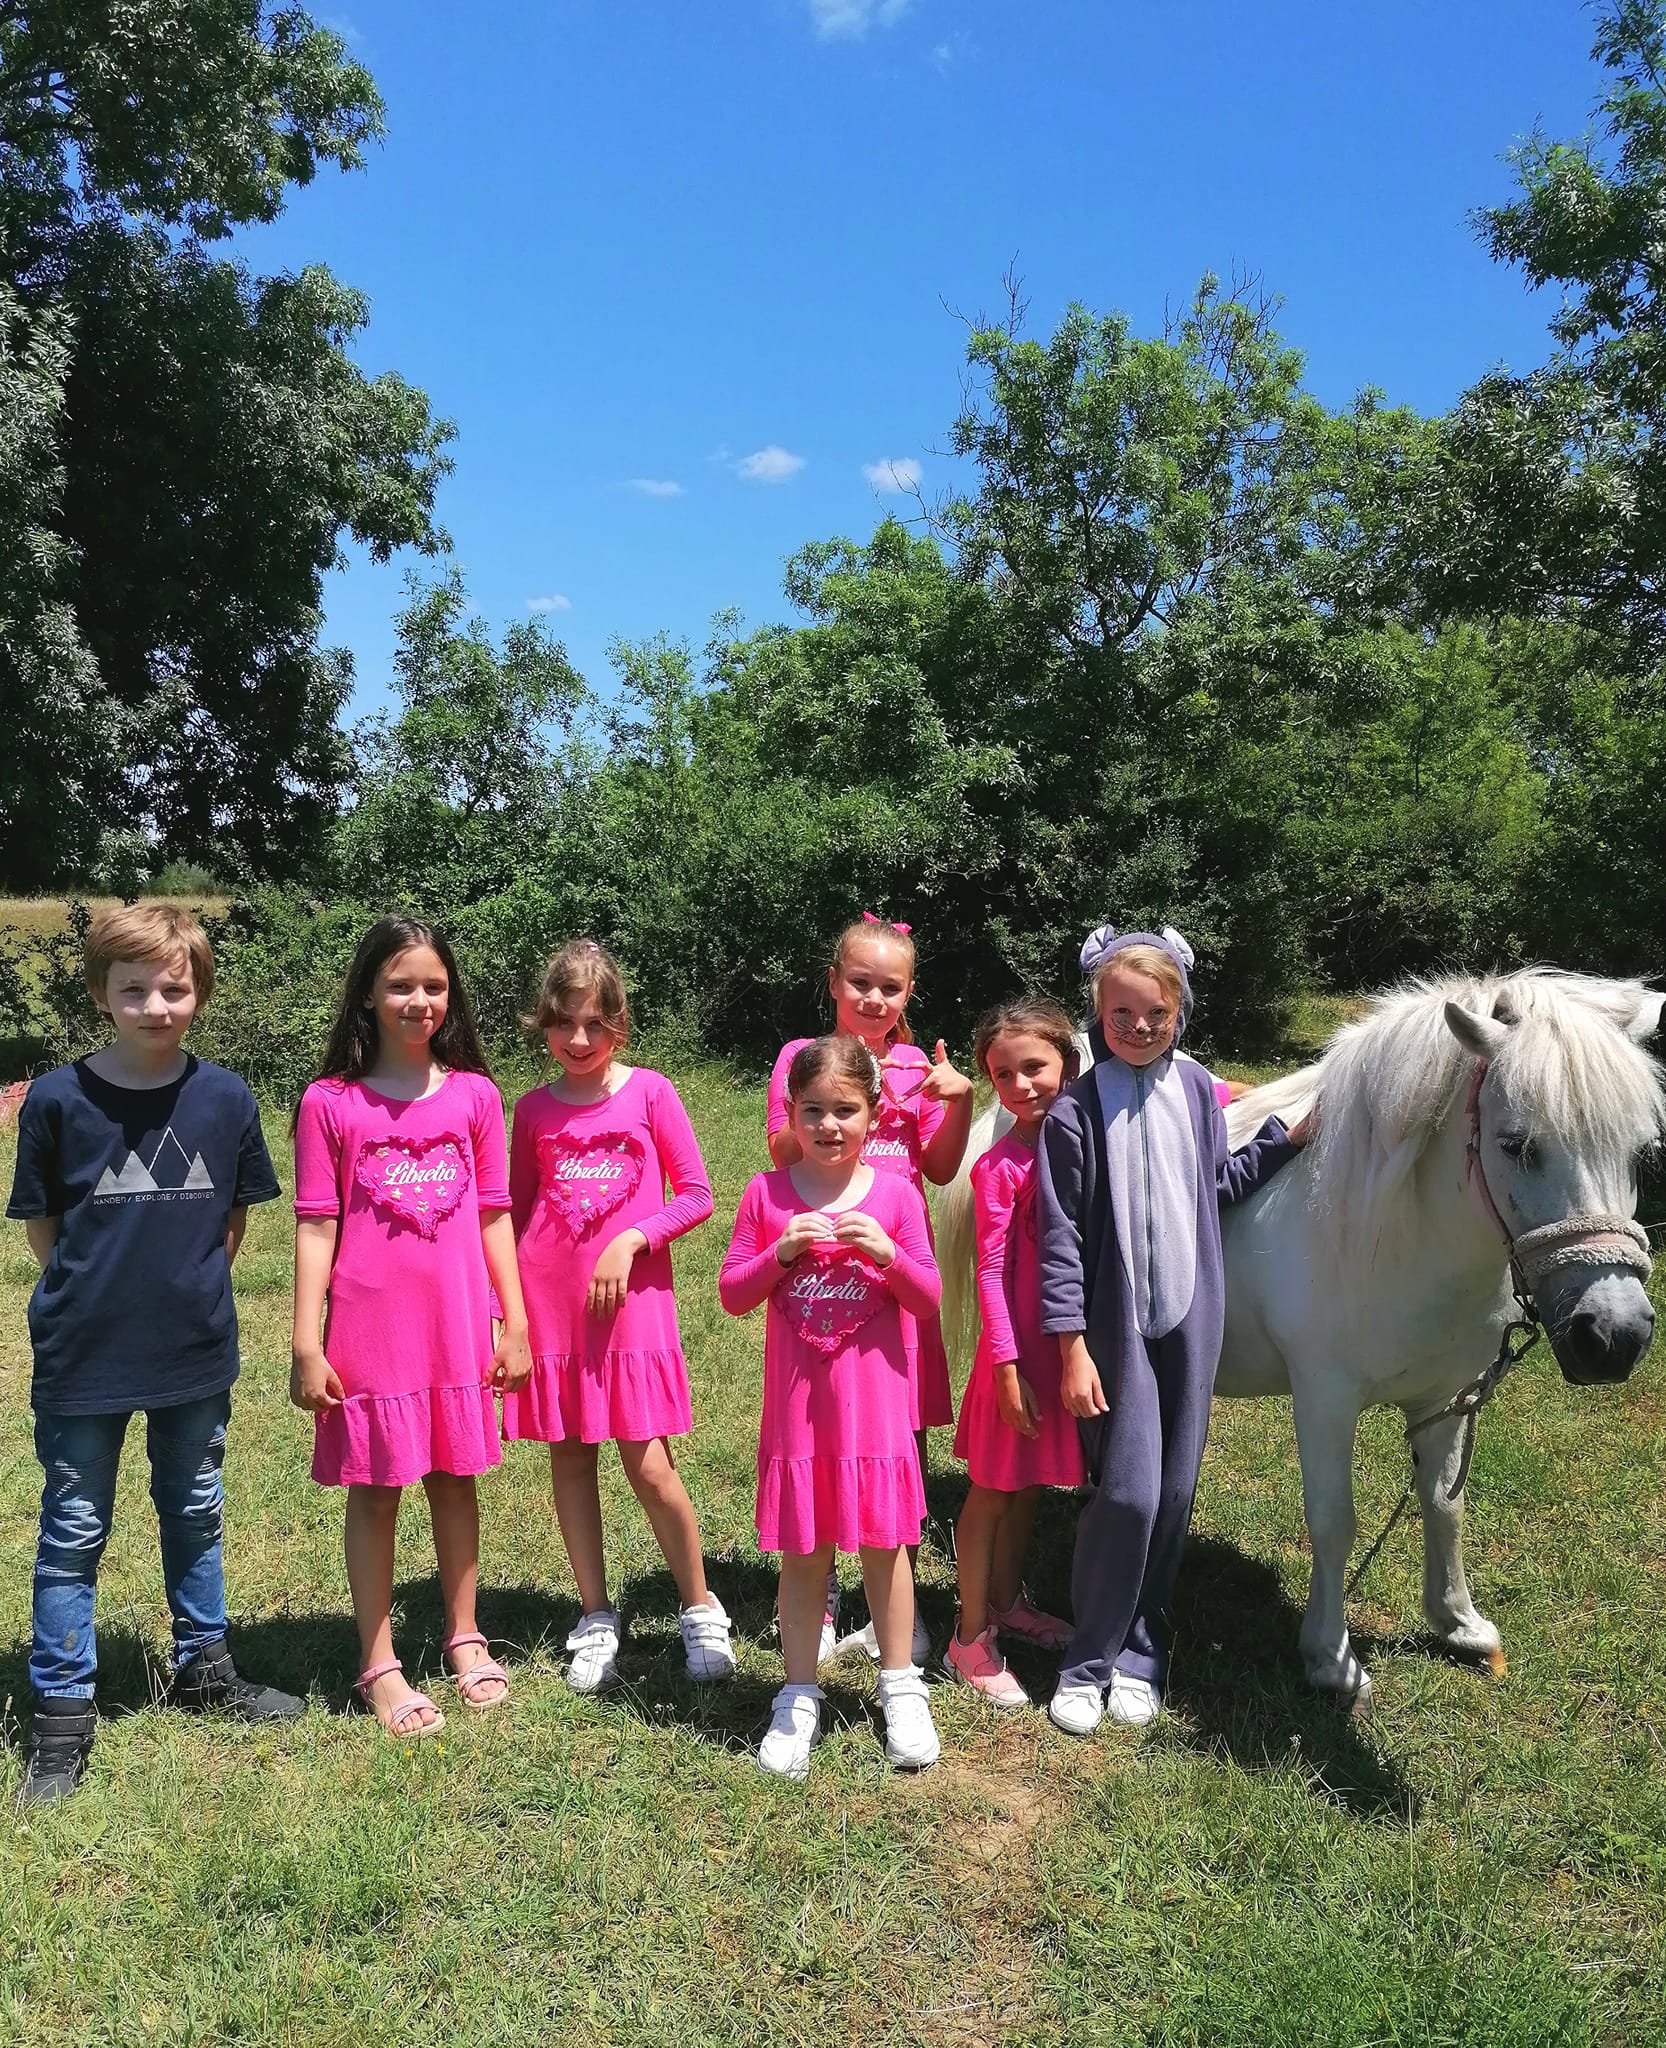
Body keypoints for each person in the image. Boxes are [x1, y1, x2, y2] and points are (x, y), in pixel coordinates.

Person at [7, 904, 301, 1806]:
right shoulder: (56, 1101)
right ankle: (62, 1712)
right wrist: (99, 1294)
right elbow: (45, 1233)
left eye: (174, 989)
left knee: (196, 1508)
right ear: (102, 994)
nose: (155, 1006)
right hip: (85, 1355)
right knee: (73, 1530)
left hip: (192, 1352)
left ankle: (204, 1666)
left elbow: (232, 1223)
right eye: (133, 990)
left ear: (198, 993)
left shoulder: (226, 1099)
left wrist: (183, 1296)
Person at [1038, 924, 1311, 1736]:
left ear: (1180, 1012)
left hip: (1192, 1320)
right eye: (1122, 1012)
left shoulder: (1194, 1090)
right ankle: (1087, 1659)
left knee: (1175, 1492)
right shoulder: (1074, 1110)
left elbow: (1211, 1186)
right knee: (1126, 1494)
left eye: (1157, 1013)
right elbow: (1060, 1239)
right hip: (1112, 1330)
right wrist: (1071, 1344)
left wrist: (1282, 1142)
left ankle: (1142, 1653)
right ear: (1098, 1011)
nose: (1140, 1026)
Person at [289, 916, 531, 1739]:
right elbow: (316, 1224)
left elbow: (494, 1214)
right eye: (399, 985)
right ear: (367, 993)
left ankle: (465, 1636)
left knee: (456, 1478)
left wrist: (514, 1321)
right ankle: (379, 1662)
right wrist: (306, 1341)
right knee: (378, 1488)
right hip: (369, 1329)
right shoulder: (330, 1103)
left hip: (457, 1324)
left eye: (433, 985)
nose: (418, 1000)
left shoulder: (476, 1097)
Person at [502, 939, 733, 1693]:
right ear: (544, 1023)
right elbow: (516, 1212)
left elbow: (696, 1194)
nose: (578, 1039)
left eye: (594, 1025)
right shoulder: (532, 1110)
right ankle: (595, 1613)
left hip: (630, 1312)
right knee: (570, 1458)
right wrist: (507, 1311)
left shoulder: (651, 1094)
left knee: (649, 1463)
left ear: (619, 1026)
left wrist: (631, 1240)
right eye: (564, 1023)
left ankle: (698, 1606)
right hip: (552, 1308)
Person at [722, 1035, 942, 1778]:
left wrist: (888, 1254)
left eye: (845, 1110)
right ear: (789, 1113)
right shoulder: (767, 1195)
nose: (828, 1125)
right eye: (812, 1109)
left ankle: (900, 1684)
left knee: (886, 1545)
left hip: (875, 1413)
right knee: (805, 1551)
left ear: (873, 1116)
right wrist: (778, 1253)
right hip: (800, 1418)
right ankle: (797, 1693)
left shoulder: (897, 1198)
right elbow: (732, 1294)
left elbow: (928, 1298)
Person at [766, 914, 973, 1663]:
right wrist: (831, 1102)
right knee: (816, 1427)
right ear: (834, 983)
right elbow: (781, 1151)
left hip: (895, 1271)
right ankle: (819, 1603)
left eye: (891, 987)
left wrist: (957, 1100)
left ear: (909, 993)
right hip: (821, 1279)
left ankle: (899, 1616)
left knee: (902, 1433)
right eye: (860, 983)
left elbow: (940, 1170)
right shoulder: (802, 1058)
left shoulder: (917, 1066)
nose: (874, 999)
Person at [947, 998, 1085, 1708]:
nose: (1021, 1085)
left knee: (1029, 1485)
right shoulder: (999, 1167)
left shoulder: (1080, 1144)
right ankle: (969, 1637)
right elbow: (991, 1271)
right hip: (1015, 1360)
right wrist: (1005, 1366)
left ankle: (1005, 1602)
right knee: (993, 1491)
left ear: (1069, 1062)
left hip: (1059, 1352)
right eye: (1003, 1075)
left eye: (1034, 1067)